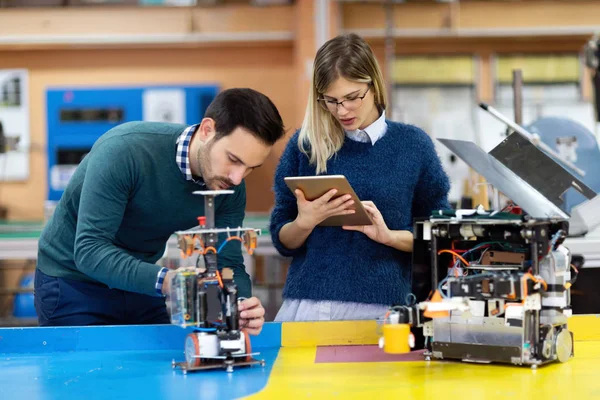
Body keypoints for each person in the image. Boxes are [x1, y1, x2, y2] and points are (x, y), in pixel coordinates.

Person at [35, 88, 286, 334]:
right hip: (72, 281)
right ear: (207, 130)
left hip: (138, 280)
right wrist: (170, 281)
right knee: (85, 372)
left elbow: (227, 259)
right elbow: (90, 250)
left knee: (160, 370)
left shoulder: (229, 185)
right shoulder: (125, 151)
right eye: (234, 159)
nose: (237, 177)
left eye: (251, 167)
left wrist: (240, 305)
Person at [269, 33, 451, 322]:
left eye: (352, 97)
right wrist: (305, 222)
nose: (342, 110)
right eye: (331, 101)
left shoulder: (413, 145)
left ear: (374, 85)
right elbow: (282, 239)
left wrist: (389, 237)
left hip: (383, 311)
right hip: (309, 307)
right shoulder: (305, 145)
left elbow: (440, 234)